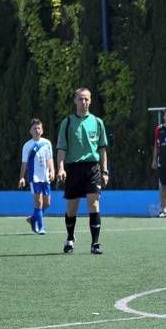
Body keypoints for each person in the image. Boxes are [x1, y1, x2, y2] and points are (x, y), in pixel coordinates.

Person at [56, 87, 110, 255]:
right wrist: (60, 168)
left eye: (86, 99)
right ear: (75, 101)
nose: (84, 102)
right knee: (72, 208)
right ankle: (70, 238)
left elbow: (102, 150)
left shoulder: (97, 122)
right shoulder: (67, 122)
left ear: (90, 100)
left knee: (94, 203)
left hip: (92, 167)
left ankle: (95, 244)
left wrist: (105, 171)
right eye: (80, 99)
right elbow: (61, 149)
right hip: (73, 168)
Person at [18, 118, 54, 234]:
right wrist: (22, 177)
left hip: (45, 178)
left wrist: (52, 171)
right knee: (38, 202)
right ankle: (41, 227)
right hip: (34, 178)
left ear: (42, 130)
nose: (37, 130)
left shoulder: (47, 143)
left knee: (47, 203)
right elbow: (24, 163)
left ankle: (33, 219)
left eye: (39, 128)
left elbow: (50, 159)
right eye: (35, 128)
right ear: (30, 131)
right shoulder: (27, 146)